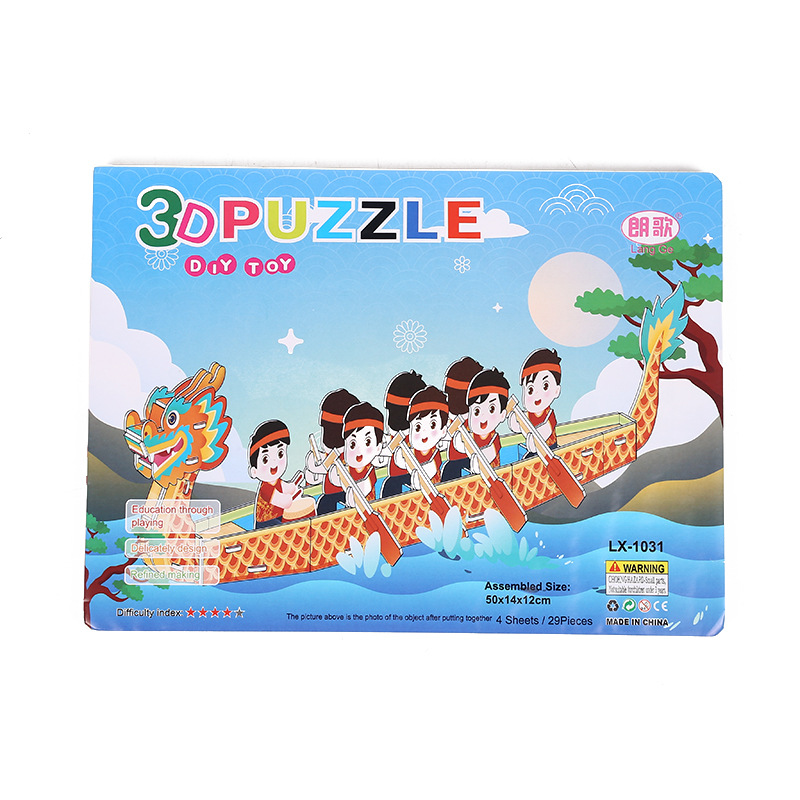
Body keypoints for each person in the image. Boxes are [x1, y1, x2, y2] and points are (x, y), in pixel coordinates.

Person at [318, 401, 385, 514]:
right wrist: (335, 477)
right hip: (345, 501)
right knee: (326, 501)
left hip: (365, 508)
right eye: (352, 444)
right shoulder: (344, 464)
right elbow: (334, 481)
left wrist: (351, 493)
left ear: (378, 447)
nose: (359, 451)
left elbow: (363, 489)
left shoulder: (369, 472)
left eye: (367, 442)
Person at [383, 385, 448, 497]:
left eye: (432, 425)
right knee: (391, 483)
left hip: (431, 486)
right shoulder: (406, 445)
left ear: (443, 430)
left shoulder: (434, 453)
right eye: (418, 427)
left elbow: (431, 469)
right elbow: (398, 461)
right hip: (407, 480)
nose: (424, 432)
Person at [449, 367, 510, 472]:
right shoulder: (465, 428)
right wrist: (459, 442)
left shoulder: (494, 439)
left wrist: (477, 461)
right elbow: (455, 450)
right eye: (477, 411)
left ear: (502, 414)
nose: (483, 416)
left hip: (487, 471)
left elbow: (488, 456)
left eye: (491, 409)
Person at [248, 419, 304, 529]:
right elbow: (284, 502)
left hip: (280, 517)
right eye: (265, 459)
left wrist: (292, 487)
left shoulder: (277, 481)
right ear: (254, 471)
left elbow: (286, 487)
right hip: (266, 524)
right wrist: (291, 496)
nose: (274, 462)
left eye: (280, 454)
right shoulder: (266, 489)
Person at [507, 348, 561, 456]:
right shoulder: (527, 415)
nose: (536, 394)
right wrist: (514, 419)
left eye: (545, 386)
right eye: (530, 390)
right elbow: (517, 427)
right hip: (534, 452)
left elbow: (545, 431)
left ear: (556, 390)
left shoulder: (549, 416)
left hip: (550, 450)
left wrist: (534, 441)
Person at [441, 356, 483, 481]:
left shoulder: (475, 420)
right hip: (454, 461)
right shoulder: (451, 420)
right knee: (449, 469)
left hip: (473, 459)